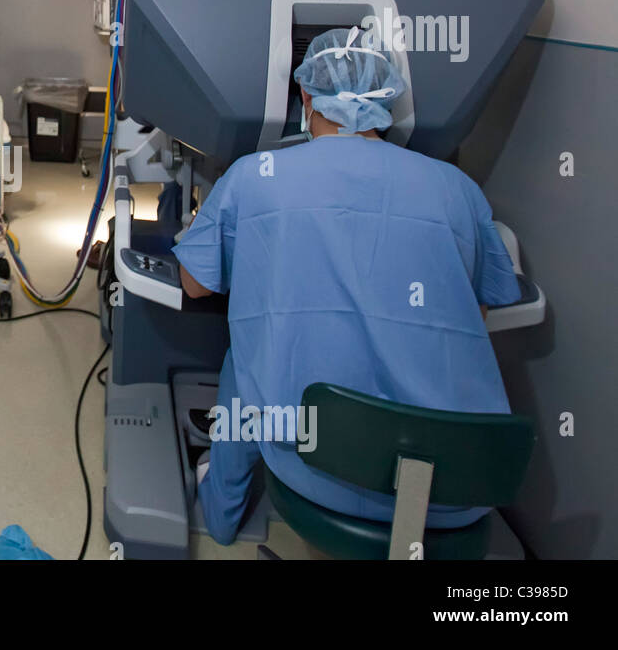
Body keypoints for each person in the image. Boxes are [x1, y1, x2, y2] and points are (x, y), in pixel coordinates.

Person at [173, 27, 523, 545]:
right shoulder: (456, 189)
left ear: (305, 97)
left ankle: (220, 515)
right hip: (459, 485)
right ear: (388, 97)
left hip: (320, 470)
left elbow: (195, 284)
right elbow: (480, 314)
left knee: (250, 356)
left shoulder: (255, 176)